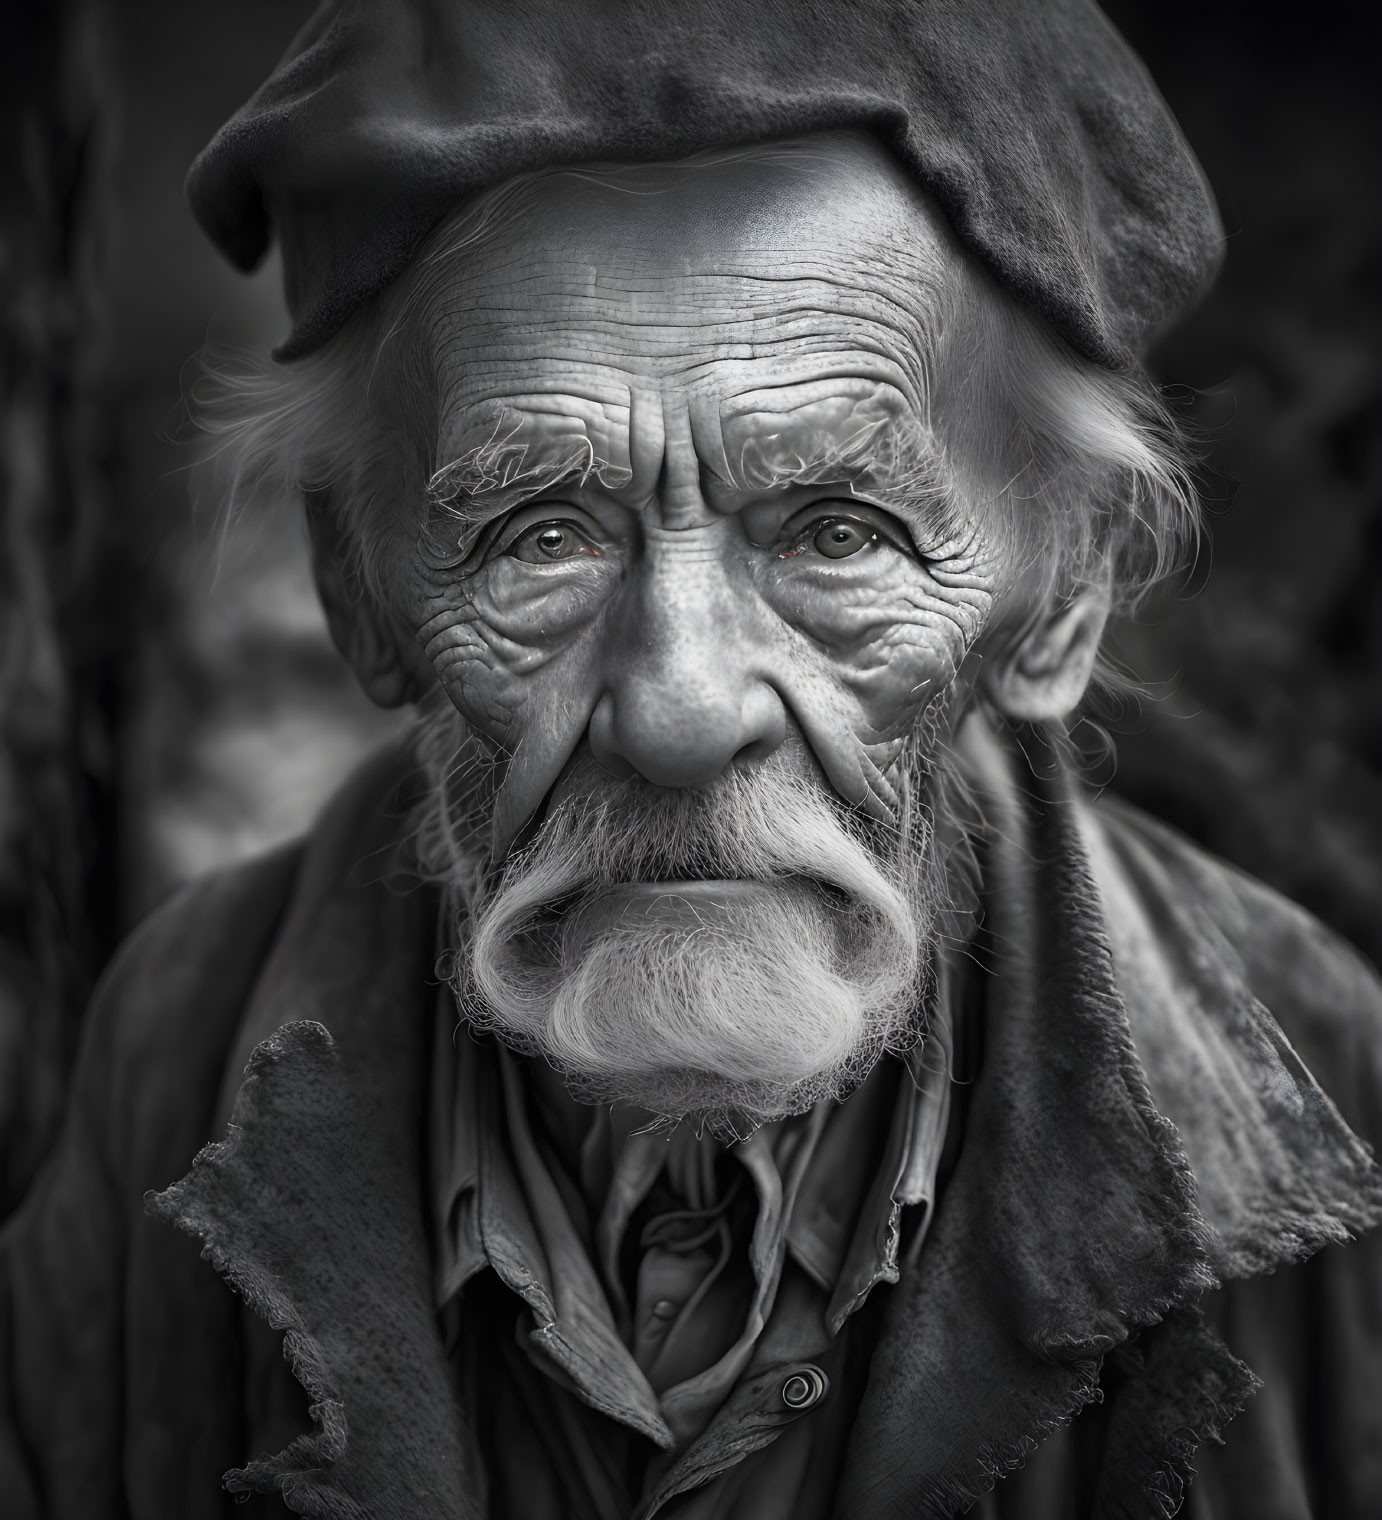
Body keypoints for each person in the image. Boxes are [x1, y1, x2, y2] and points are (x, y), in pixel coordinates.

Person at [3, 2, 1380, 1516]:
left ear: (1062, 591)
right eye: (539, 533)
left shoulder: (1336, 1093)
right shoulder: (177, 1048)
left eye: (835, 532)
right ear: (359, 591)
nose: (677, 708)